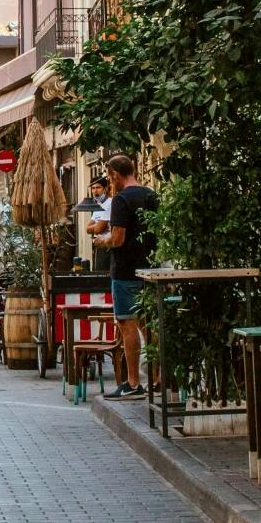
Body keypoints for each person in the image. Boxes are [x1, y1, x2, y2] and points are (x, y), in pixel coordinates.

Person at [102, 154, 159, 398]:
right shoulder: (151, 196)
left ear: (115, 174)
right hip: (150, 269)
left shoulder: (121, 200)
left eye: (109, 177)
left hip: (125, 271)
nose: (109, 182)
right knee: (149, 327)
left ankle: (133, 382)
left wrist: (101, 241)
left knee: (127, 325)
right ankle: (158, 379)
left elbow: (117, 239)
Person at [82, 175, 113, 274]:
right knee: (98, 273)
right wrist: (96, 226)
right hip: (98, 248)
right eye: (93, 188)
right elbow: (87, 229)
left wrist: (96, 226)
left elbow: (99, 229)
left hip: (108, 248)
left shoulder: (109, 204)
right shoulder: (98, 206)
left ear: (105, 189)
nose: (95, 191)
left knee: (104, 277)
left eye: (98, 187)